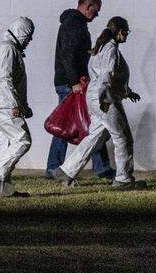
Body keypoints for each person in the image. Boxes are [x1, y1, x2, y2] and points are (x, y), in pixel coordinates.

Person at [53, 16, 144, 190]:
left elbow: (108, 77)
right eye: (126, 32)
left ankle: (65, 171)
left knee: (95, 136)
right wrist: (104, 98)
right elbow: (107, 76)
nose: (127, 36)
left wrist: (127, 92)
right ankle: (123, 179)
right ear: (119, 32)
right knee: (123, 138)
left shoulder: (101, 47)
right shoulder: (110, 49)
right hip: (105, 99)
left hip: (94, 97)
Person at [46, 0, 115, 179]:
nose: (97, 15)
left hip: (73, 83)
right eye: (96, 11)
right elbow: (67, 56)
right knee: (75, 125)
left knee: (86, 123)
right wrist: (75, 82)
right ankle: (55, 167)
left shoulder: (75, 23)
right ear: (87, 6)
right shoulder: (73, 24)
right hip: (71, 85)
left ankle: (98, 167)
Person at [0, 17, 35, 198]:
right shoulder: (8, 48)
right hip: (4, 105)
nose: (30, 40)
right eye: (29, 36)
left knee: (6, 146)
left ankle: (3, 188)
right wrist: (15, 106)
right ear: (22, 34)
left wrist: (24, 106)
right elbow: (6, 80)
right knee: (22, 140)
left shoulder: (9, 48)